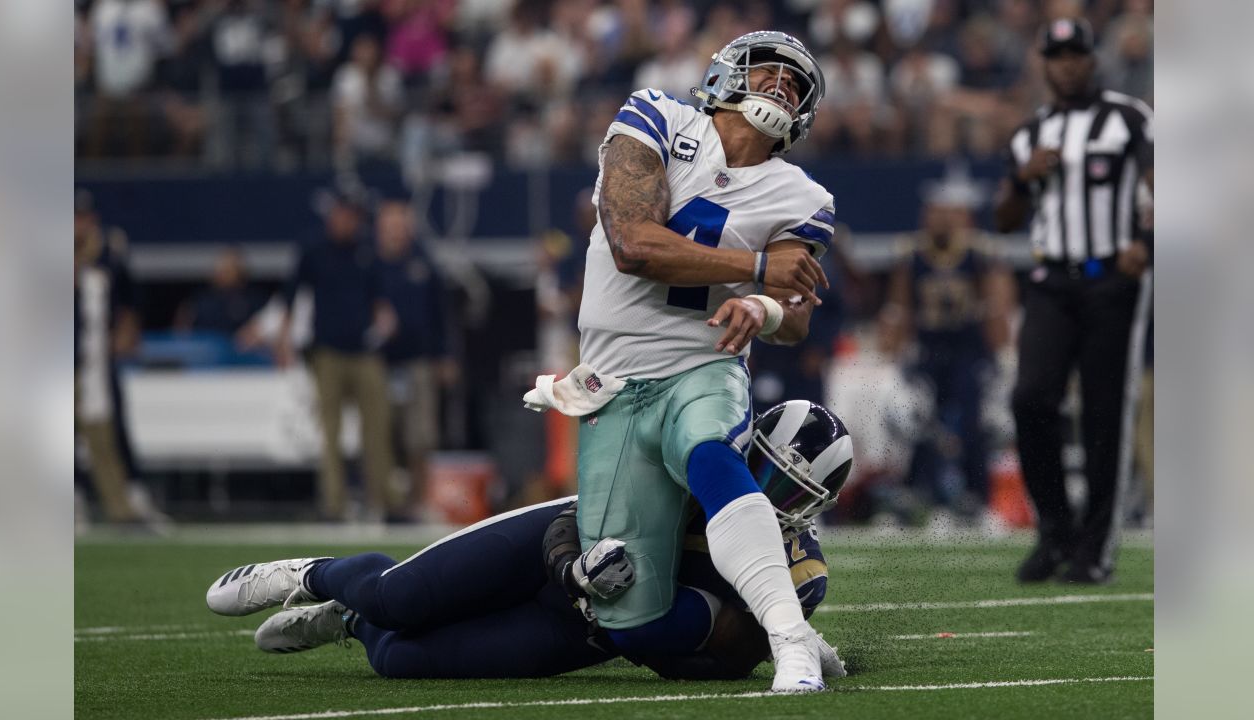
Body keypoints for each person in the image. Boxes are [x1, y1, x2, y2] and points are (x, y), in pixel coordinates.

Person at [557, 30, 842, 693]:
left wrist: (765, 308)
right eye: (769, 72)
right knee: (628, 619)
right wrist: (756, 269)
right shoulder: (656, 115)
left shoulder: (804, 197)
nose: (780, 87)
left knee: (707, 448)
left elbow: (795, 312)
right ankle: (766, 636)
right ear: (724, 75)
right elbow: (632, 242)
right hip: (612, 383)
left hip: (700, 361)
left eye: (795, 85)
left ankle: (790, 640)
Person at [206, 401, 852, 681]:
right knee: (397, 598)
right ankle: (313, 574)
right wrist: (574, 570)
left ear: (812, 509)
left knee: (400, 660)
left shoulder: (797, 573)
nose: (761, 494)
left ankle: (345, 622)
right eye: (758, 469)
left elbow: (707, 659)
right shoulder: (691, 464)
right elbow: (567, 523)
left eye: (785, 490)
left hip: (588, 630)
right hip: (553, 554)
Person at [995, 18, 1153, 584]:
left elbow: (1163, 183)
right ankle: (1055, 531)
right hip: (1052, 281)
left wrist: (1147, 243)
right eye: (1056, 55)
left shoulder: (1130, 117)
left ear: (1092, 59)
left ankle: (1095, 547)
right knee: (1031, 398)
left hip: (1112, 278)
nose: (1067, 64)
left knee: (1104, 411)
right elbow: (1004, 217)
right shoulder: (1030, 132)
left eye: (1075, 54)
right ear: (1045, 63)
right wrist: (1022, 175)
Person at [882, 177, 1014, 522]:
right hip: (929, 351)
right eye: (934, 213)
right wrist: (893, 357)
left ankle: (976, 499)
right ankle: (915, 497)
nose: (939, 221)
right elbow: (900, 307)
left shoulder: (977, 254)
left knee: (972, 424)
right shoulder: (912, 254)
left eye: (946, 214)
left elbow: (994, 304)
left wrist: (1002, 355)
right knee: (921, 425)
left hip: (968, 350)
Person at [277, 186, 401, 522]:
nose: (347, 221)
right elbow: (291, 295)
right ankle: (334, 503)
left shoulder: (365, 250)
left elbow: (379, 297)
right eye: (343, 214)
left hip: (364, 350)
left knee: (377, 426)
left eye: (353, 215)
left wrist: (385, 320)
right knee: (330, 430)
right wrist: (284, 337)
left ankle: (385, 502)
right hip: (327, 351)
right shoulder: (313, 249)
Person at [74, 189, 160, 527]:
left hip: (94, 360)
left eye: (83, 217)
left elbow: (129, 301)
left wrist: (126, 333)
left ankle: (121, 503)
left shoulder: (107, 253)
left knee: (106, 435)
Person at [373, 200, 454, 516]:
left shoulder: (423, 264)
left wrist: (444, 355)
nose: (395, 233)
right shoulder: (369, 265)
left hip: (418, 361)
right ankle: (382, 501)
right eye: (389, 226)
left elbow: (439, 313)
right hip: (379, 363)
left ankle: (418, 501)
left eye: (400, 226)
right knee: (380, 435)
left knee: (420, 437)